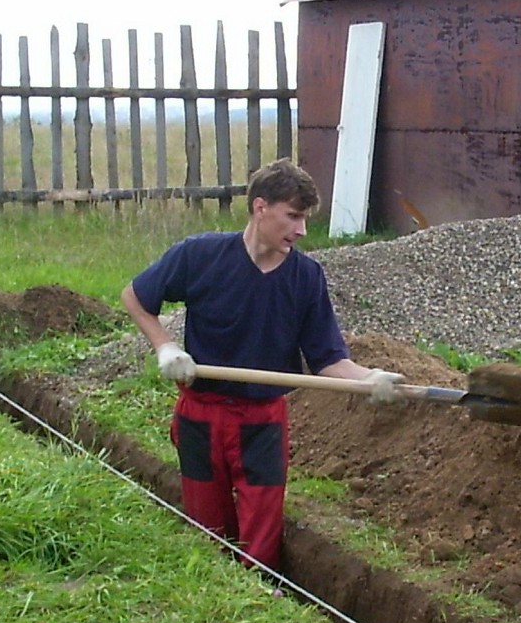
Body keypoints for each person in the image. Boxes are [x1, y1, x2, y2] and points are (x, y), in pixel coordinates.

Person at [122, 158, 404, 573]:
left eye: (305, 218)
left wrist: (369, 379)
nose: (302, 230)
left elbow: (328, 360)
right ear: (260, 208)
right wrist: (165, 347)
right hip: (201, 417)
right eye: (293, 216)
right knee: (207, 528)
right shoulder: (199, 256)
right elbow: (135, 297)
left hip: (262, 423)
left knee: (261, 534)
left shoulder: (306, 277)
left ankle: (261, 602)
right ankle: (215, 606)